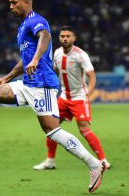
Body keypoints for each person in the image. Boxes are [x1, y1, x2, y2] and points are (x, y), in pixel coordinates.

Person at [0, 0, 106, 193]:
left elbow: (46, 37)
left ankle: (94, 164)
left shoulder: (36, 21)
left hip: (42, 85)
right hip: (28, 83)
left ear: (26, 2)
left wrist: (35, 60)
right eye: (9, 3)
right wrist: (6, 78)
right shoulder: (23, 27)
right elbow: (24, 59)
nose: (10, 6)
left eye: (14, 2)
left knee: (52, 131)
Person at [33, 26, 111, 171]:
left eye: (68, 36)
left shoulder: (81, 55)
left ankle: (103, 161)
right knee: (51, 127)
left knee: (84, 129)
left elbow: (92, 76)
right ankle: (50, 161)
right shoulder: (56, 53)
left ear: (74, 38)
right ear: (59, 38)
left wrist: (88, 93)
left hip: (79, 97)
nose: (65, 39)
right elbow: (55, 71)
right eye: (62, 36)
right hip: (63, 97)